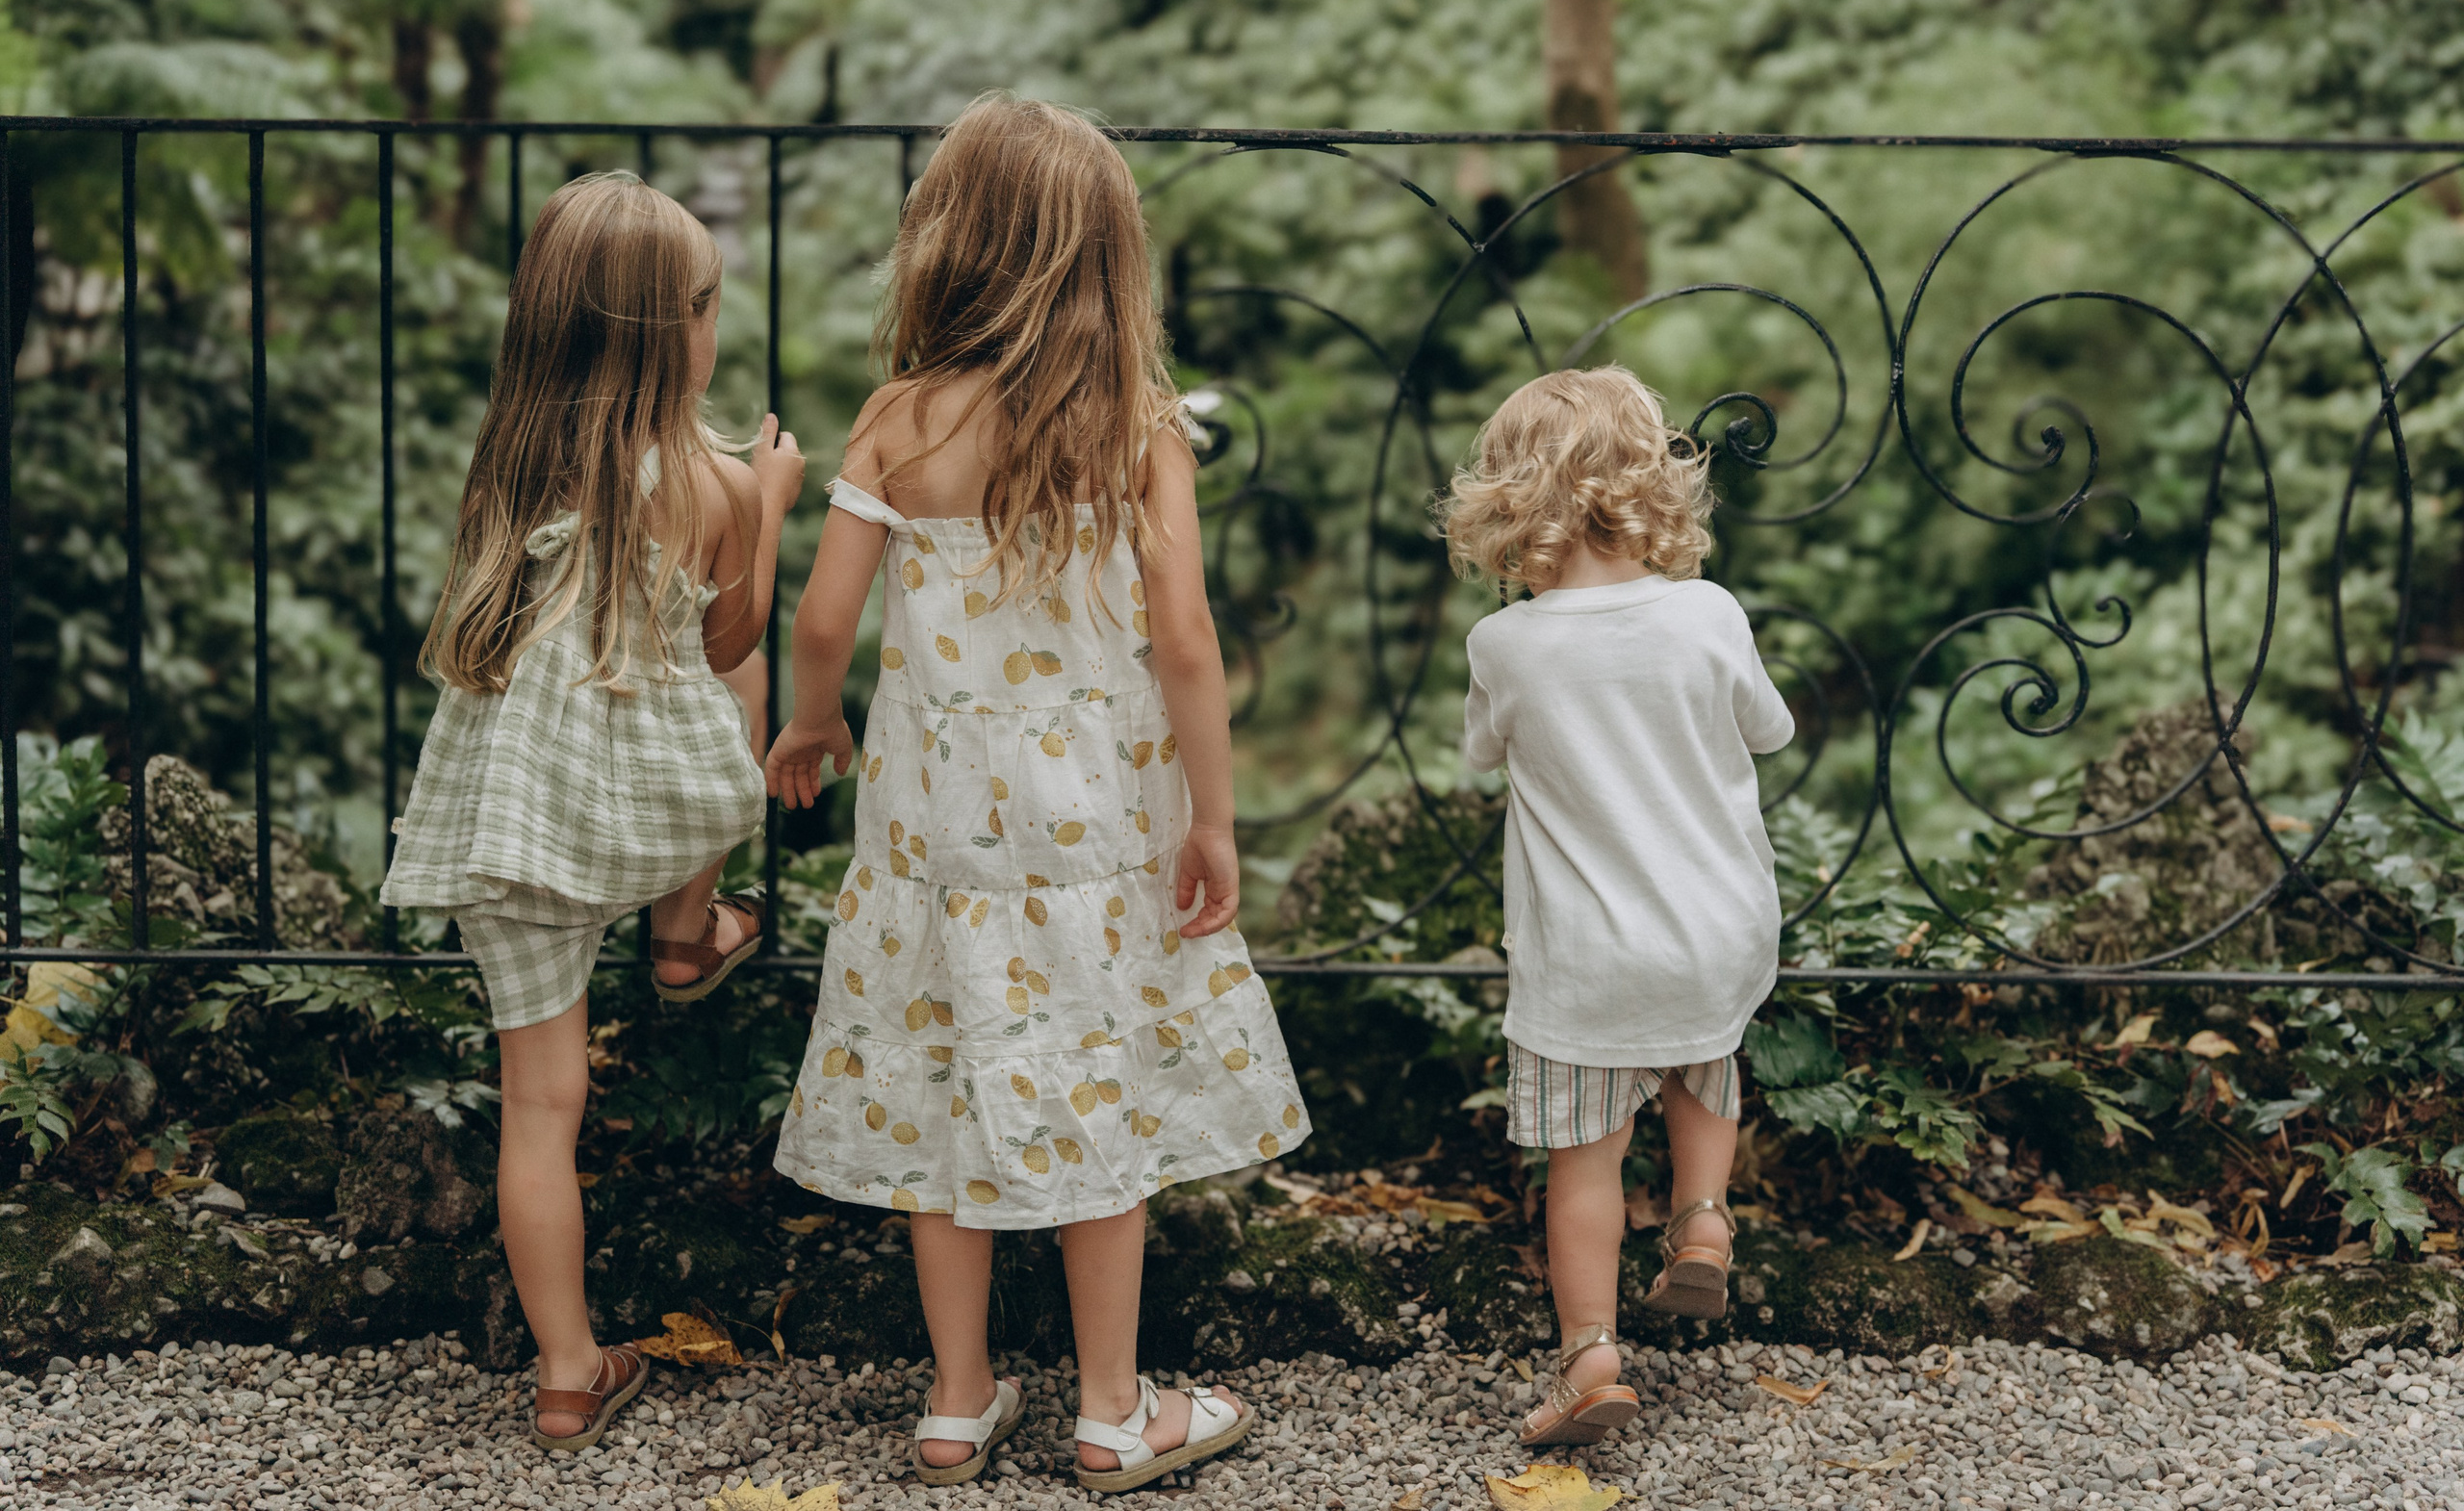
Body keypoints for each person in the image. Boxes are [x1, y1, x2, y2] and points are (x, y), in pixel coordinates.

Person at [764, 93, 1305, 1495]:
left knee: (943, 1080)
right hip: (1096, 831)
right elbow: (1185, 638)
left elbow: (820, 619)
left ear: (945, 243)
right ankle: (1113, 1411)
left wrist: (812, 720)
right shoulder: (1135, 426)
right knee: (1097, 1082)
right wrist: (1213, 816)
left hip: (935, 836)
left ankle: (956, 1403)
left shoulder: (897, 419)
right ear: (1108, 261)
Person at [381, 172, 806, 1450]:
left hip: (510, 827)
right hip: (649, 815)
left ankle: (568, 1373)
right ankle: (687, 929)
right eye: (705, 306)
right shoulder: (714, 480)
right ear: (677, 330)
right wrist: (774, 508)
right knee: (741, 684)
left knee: (540, 1104)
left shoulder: (510, 467)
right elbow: (731, 639)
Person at [1439, 366, 1793, 1448]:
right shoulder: (1708, 614)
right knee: (1702, 1058)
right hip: (1715, 930)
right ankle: (1702, 1220)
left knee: (1584, 1159)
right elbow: (1770, 730)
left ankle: (1590, 1357)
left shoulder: (1506, 644)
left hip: (1586, 959)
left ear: (1508, 502)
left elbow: (1478, 753)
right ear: (1655, 481)